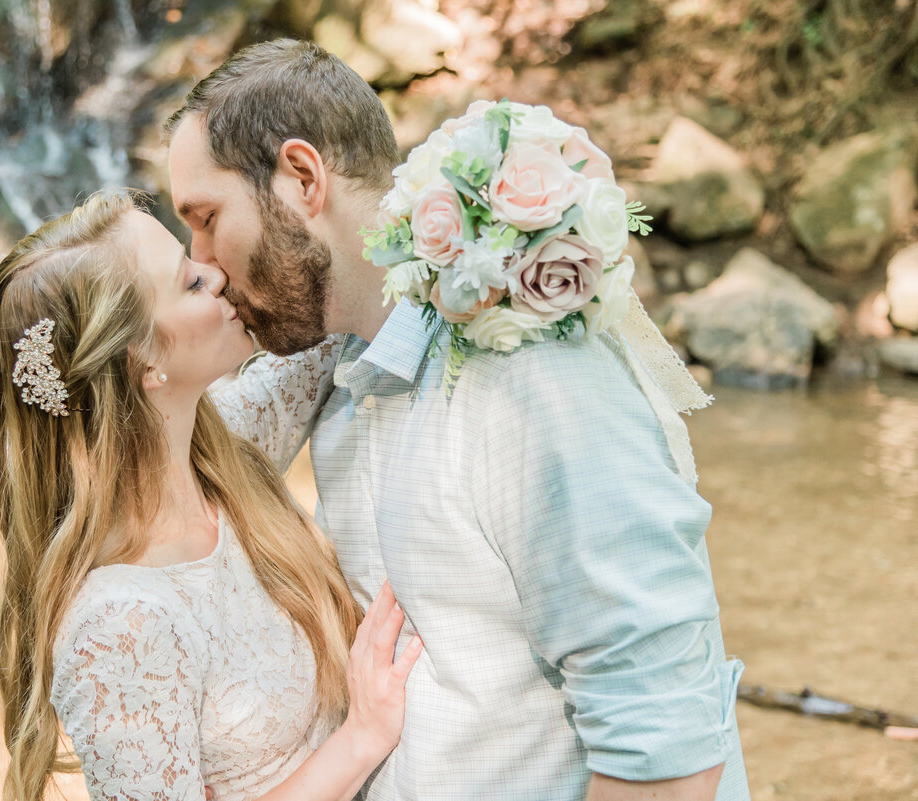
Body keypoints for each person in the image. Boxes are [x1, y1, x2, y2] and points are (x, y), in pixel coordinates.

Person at [165, 39, 752, 801]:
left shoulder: (534, 376)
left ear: (303, 177)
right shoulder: (335, 376)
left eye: (207, 218)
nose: (202, 260)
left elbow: (665, 745)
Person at [0, 193, 423, 801]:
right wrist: (362, 737)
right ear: (144, 359)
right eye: (190, 282)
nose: (218, 274)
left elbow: (342, 306)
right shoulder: (119, 625)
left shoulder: (225, 448)